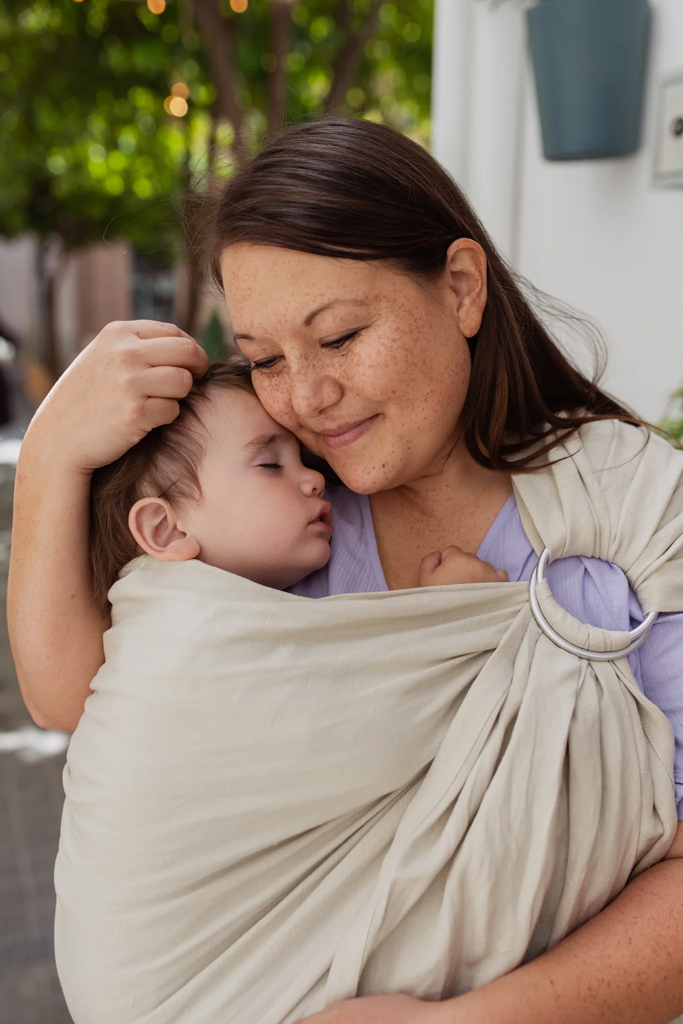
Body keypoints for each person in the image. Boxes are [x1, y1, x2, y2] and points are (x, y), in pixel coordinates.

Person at [9, 118, 683, 1024]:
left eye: (340, 336)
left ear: (460, 287)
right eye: (265, 361)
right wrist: (51, 454)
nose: (307, 397)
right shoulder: (280, 520)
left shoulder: (625, 510)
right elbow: (80, 698)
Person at [89, 360, 506, 607]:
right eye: (271, 465)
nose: (315, 478)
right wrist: (453, 614)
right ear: (166, 529)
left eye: (302, 459)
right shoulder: (170, 639)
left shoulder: (312, 593)